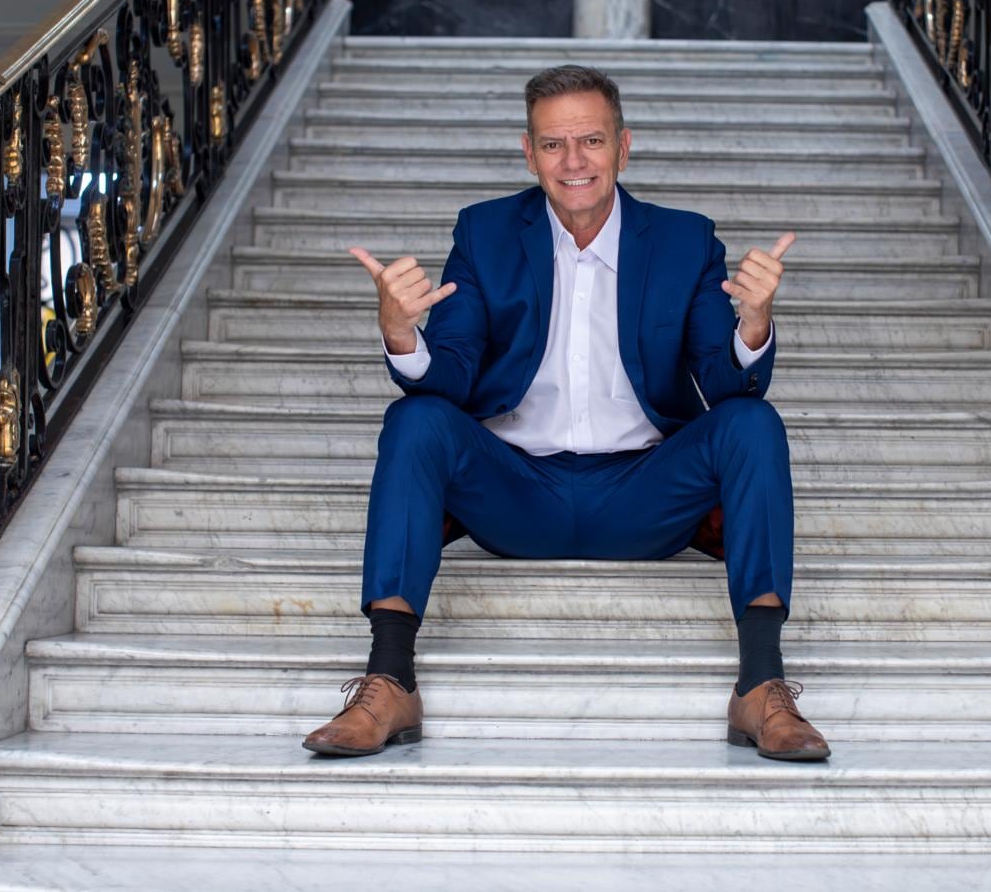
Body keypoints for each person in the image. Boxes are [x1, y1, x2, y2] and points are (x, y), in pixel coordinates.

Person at [302, 64, 827, 762]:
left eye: (591, 141)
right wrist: (401, 331)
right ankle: (390, 678)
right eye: (554, 145)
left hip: (644, 494)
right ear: (529, 153)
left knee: (754, 425)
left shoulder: (684, 240)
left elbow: (727, 384)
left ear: (623, 146)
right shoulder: (486, 233)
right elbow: (449, 375)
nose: (574, 161)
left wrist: (754, 320)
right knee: (416, 422)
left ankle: (762, 686)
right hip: (520, 490)